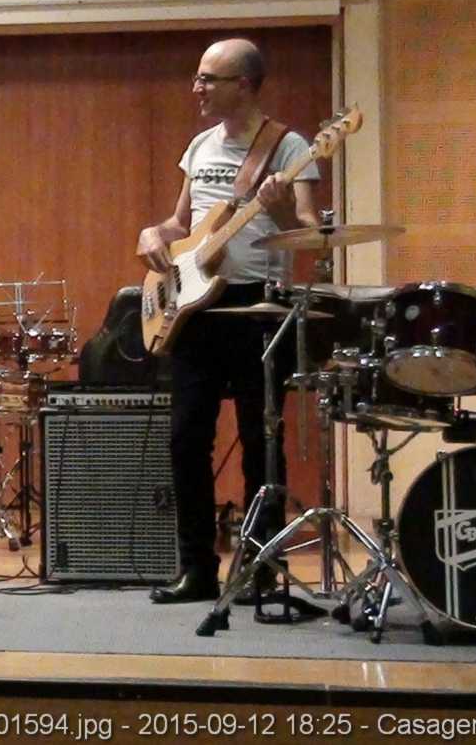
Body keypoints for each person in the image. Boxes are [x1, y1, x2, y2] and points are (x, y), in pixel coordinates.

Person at [136, 39, 320, 604]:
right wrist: (152, 234)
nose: (197, 88)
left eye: (208, 79)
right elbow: (182, 223)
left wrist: (280, 207)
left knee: (261, 439)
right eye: (197, 77)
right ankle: (196, 568)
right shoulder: (199, 145)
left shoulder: (290, 146)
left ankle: (260, 566)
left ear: (244, 85)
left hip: (256, 308)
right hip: (193, 309)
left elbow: (311, 230)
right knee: (186, 438)